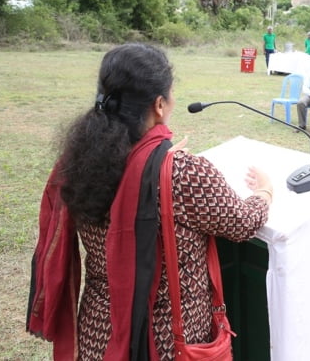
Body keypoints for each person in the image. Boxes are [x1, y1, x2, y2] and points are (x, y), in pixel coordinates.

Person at [26, 43, 272, 359]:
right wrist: (264, 192)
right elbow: (242, 223)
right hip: (165, 339)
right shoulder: (181, 171)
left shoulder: (80, 158)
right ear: (159, 104)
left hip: (100, 329)